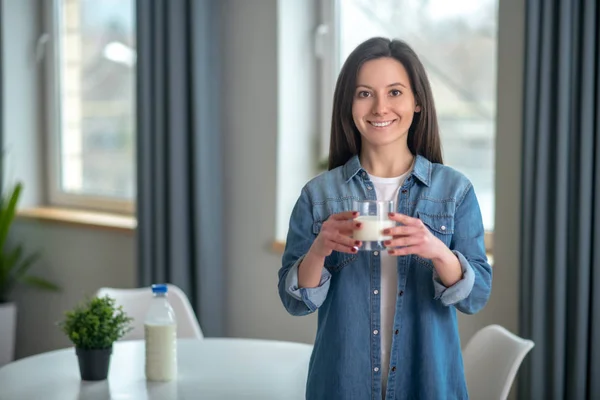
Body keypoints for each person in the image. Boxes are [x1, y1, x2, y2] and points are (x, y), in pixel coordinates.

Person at [277, 37, 492, 400]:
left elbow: (476, 296)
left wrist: (437, 252)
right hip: (341, 385)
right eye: (364, 93)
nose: (380, 107)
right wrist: (318, 250)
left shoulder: (454, 191)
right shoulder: (319, 196)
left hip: (427, 385)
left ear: (417, 101)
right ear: (349, 104)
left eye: (394, 92)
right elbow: (296, 302)